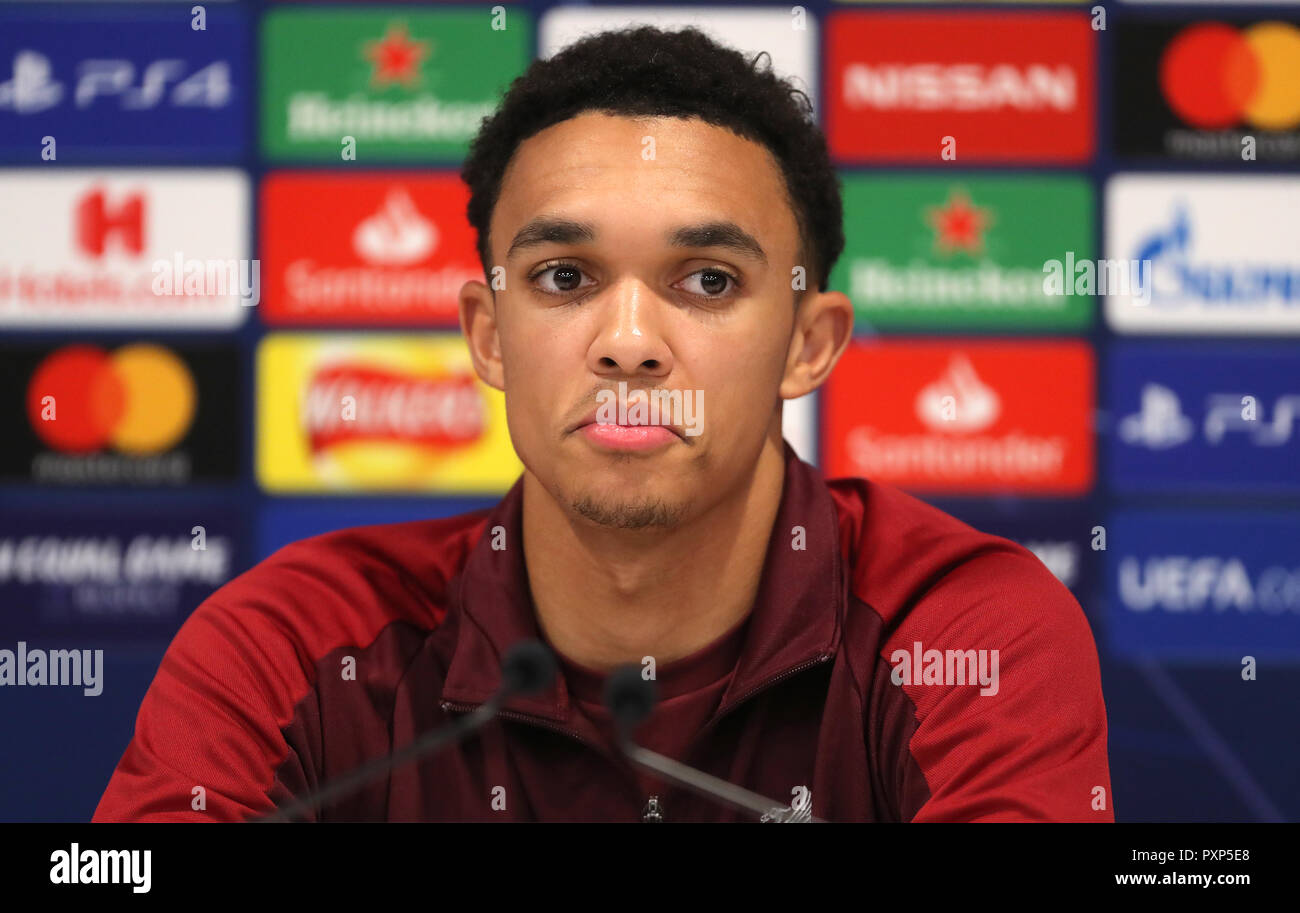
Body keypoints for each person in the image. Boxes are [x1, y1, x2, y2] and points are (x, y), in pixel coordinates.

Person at [94, 25, 1112, 822]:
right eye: (564, 278)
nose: (629, 343)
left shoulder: (966, 633)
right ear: (488, 336)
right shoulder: (289, 645)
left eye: (707, 280)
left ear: (808, 343)